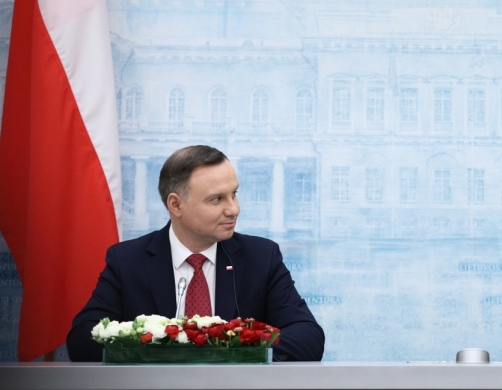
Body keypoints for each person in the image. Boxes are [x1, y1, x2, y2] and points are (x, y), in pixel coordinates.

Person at [67, 145, 325, 361]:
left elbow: (308, 336)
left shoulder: (261, 257)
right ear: (176, 204)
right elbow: (82, 339)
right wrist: (159, 351)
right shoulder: (127, 261)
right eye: (217, 199)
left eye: (234, 194)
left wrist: (234, 354)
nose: (233, 209)